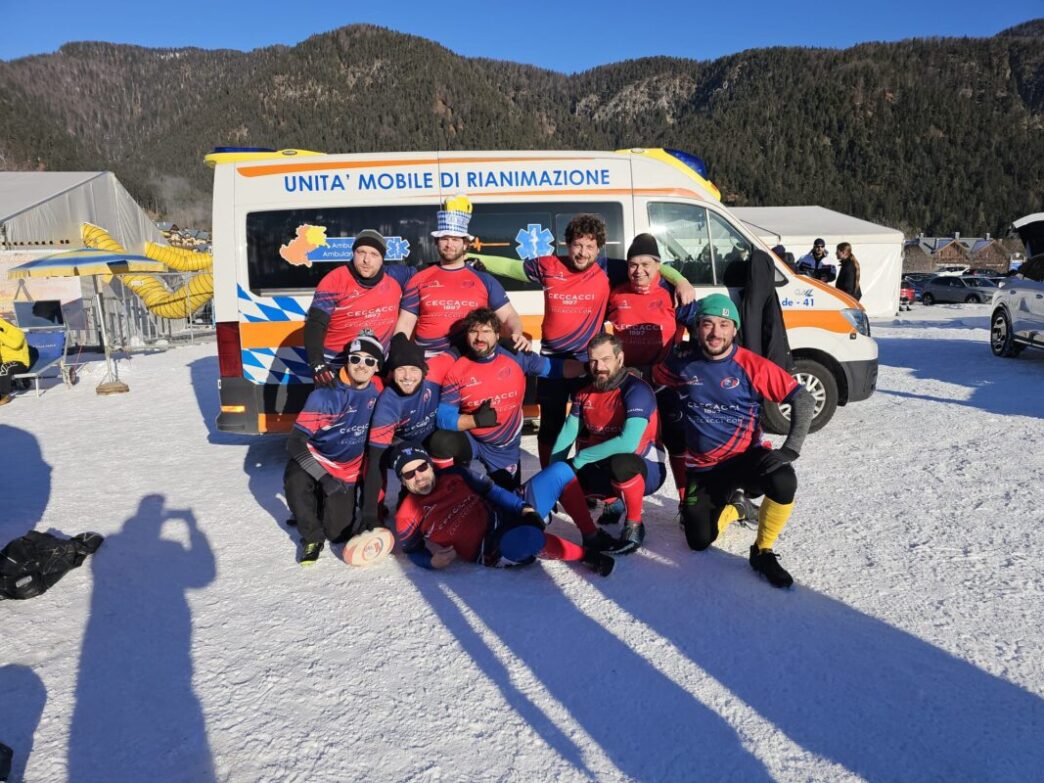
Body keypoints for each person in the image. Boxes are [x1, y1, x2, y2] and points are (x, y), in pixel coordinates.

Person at [475, 215, 694, 467]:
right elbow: (511, 267)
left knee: (591, 425)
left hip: (591, 362)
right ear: (567, 245)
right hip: (552, 361)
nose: (582, 252)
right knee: (550, 425)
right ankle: (550, 478)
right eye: (577, 245)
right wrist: (476, 257)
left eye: (590, 246)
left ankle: (588, 484)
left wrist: (681, 280)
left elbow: (651, 264)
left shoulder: (607, 267)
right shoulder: (548, 265)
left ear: (598, 249)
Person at [653, 294, 814, 588]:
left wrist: (791, 448)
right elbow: (654, 379)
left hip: (744, 459)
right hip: (703, 468)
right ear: (696, 327)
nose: (716, 332)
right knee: (698, 541)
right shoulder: (682, 363)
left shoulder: (752, 365)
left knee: (783, 479)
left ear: (734, 330)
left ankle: (762, 551)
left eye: (724, 325)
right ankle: (738, 508)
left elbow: (802, 398)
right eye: (708, 324)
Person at [391, 442, 614, 576]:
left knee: (561, 471)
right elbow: (412, 550)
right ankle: (587, 555)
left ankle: (590, 535)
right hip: (490, 547)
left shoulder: (455, 474)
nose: (419, 477)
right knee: (528, 538)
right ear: (402, 481)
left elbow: (492, 491)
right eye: (409, 474)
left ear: (430, 465)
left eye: (421, 467)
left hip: (504, 512)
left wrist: (523, 508)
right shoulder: (406, 513)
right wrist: (431, 562)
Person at [437, 308, 583, 490]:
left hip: (503, 448)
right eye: (473, 331)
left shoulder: (516, 355)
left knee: (510, 502)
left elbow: (556, 368)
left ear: (497, 335)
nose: (479, 338)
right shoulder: (457, 369)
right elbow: (443, 417)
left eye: (486, 331)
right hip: (473, 440)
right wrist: (475, 420)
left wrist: (591, 368)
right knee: (440, 441)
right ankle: (447, 491)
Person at [550, 333, 668, 554]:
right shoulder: (584, 393)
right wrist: (551, 477)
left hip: (645, 467)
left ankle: (634, 525)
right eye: (593, 360)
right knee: (561, 475)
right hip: (604, 465)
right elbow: (567, 435)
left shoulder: (636, 390)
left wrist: (581, 459)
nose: (598, 367)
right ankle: (591, 534)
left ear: (620, 359)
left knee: (621, 462)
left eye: (605, 359)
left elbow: (629, 443)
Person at [284, 330, 391, 565]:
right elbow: (294, 442)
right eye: (355, 358)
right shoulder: (326, 394)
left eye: (369, 361)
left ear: (377, 368)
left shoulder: (380, 389)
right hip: (318, 458)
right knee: (296, 479)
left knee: (339, 534)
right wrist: (324, 478)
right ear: (347, 361)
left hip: (348, 469)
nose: (361, 365)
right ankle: (311, 535)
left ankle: (321, 505)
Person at [358, 333, 470, 529]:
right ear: (391, 372)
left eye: (413, 369)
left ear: (424, 370)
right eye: (400, 369)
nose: (408, 376)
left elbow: (464, 345)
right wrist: (369, 514)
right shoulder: (388, 404)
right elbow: (375, 461)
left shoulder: (437, 368)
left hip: (438, 441)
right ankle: (405, 494)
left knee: (445, 440)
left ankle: (459, 490)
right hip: (408, 448)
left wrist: (509, 344)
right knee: (389, 455)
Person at [395, 195, 527, 355]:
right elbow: (405, 324)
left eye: (455, 239)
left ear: (465, 244)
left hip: (469, 360)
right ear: (436, 242)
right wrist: (399, 354)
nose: (449, 244)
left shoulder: (485, 280)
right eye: (444, 239)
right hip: (428, 361)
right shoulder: (419, 278)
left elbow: (508, 316)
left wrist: (516, 332)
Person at [303, 229, 414, 387]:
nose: (366, 260)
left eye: (374, 254)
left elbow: (430, 272)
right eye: (361, 252)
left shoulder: (395, 277)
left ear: (382, 259)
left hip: (375, 366)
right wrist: (317, 363)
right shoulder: (335, 280)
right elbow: (315, 324)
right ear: (353, 253)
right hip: (336, 367)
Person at [0, 316, 30, 406]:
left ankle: (5, 395)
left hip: (20, 362)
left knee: (4, 367)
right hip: (5, 362)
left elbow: (14, 344)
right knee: (4, 366)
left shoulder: (17, 332)